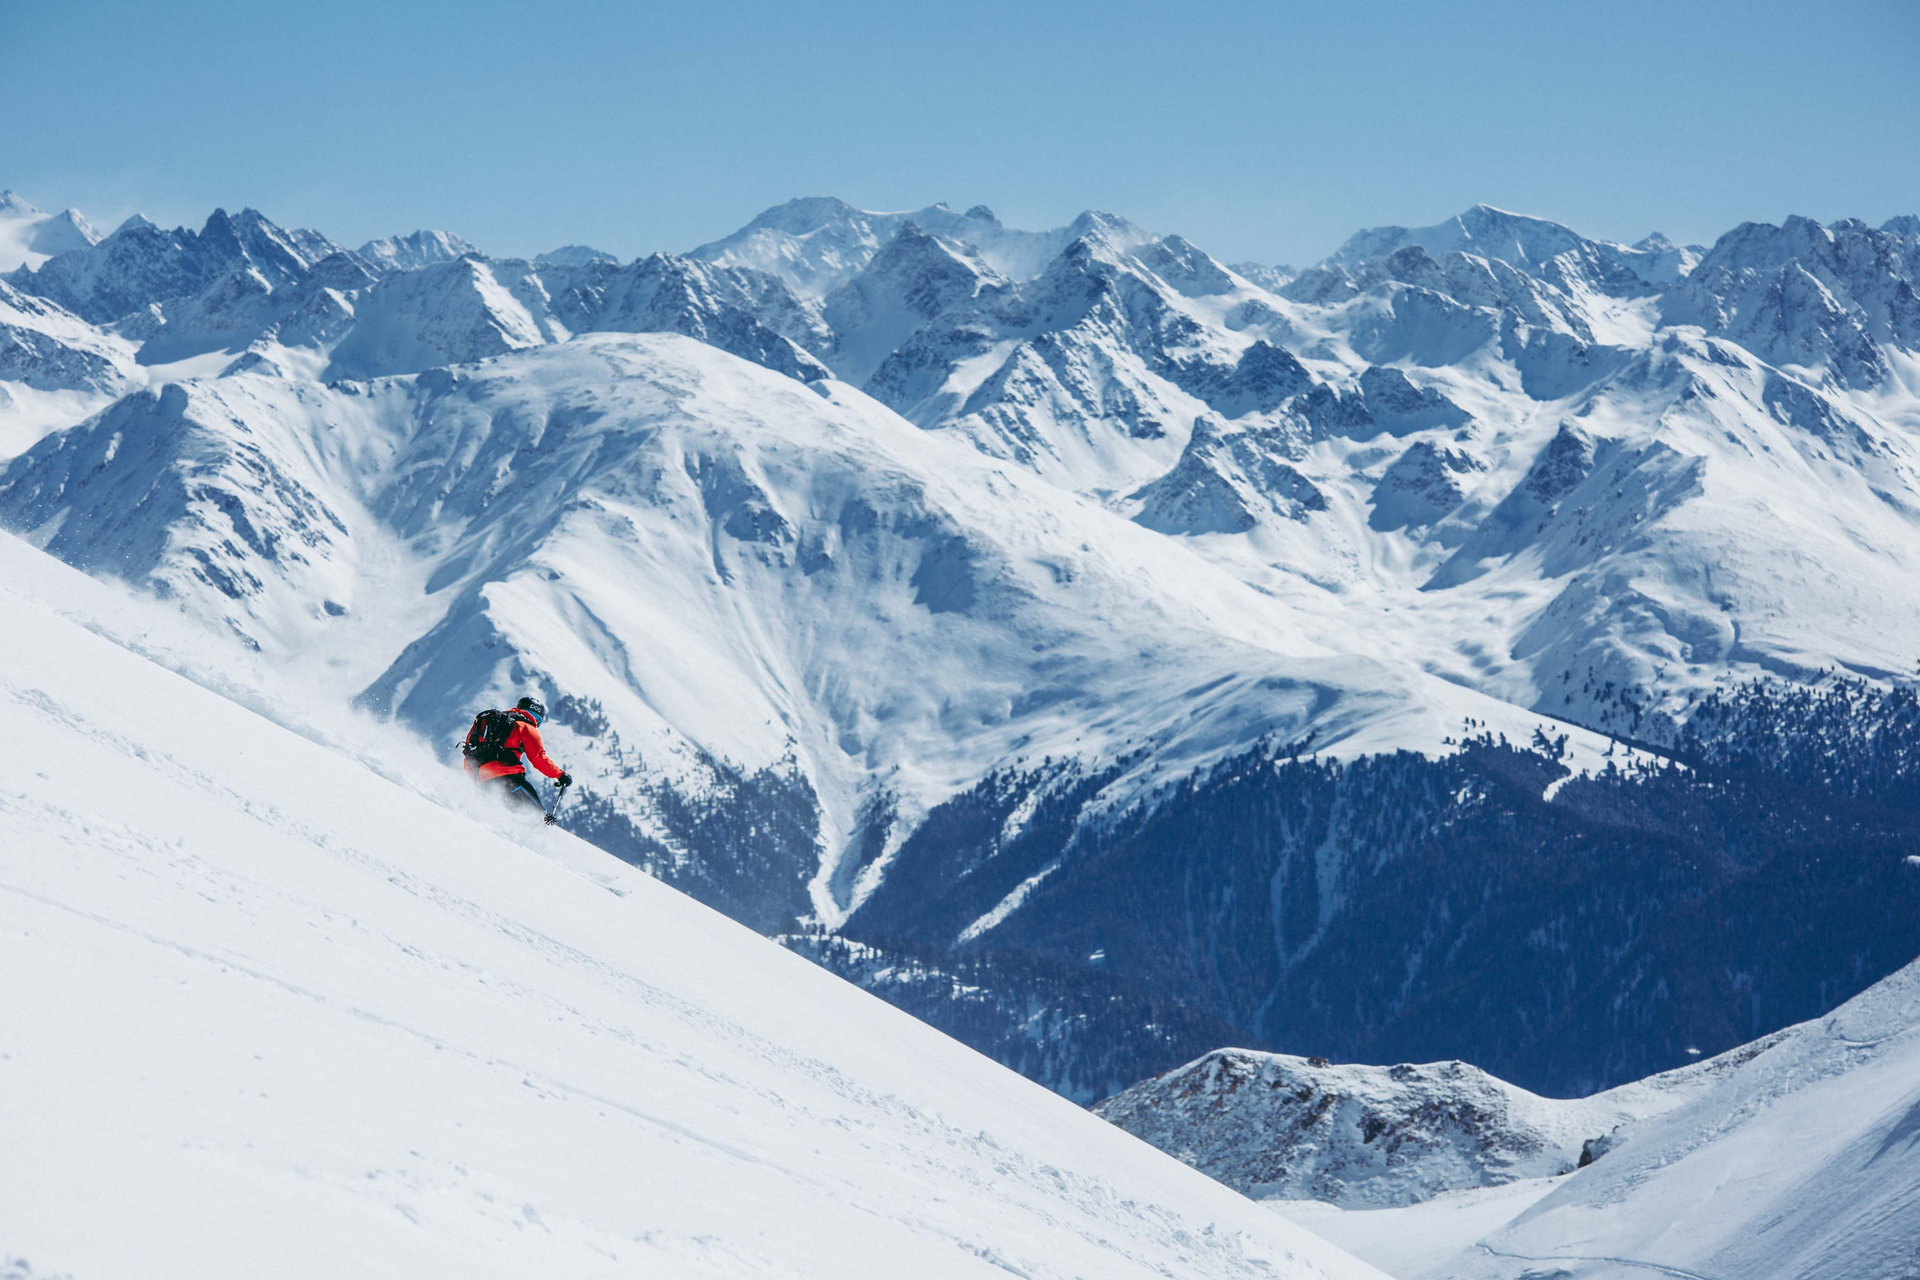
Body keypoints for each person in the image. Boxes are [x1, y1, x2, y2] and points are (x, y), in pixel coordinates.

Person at [465, 696, 573, 822]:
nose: (537, 723)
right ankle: (535, 838)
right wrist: (560, 775)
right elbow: (538, 759)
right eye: (539, 720)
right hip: (508, 778)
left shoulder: (496, 721)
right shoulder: (527, 727)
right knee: (538, 815)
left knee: (497, 815)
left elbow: (469, 750)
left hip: (479, 778)